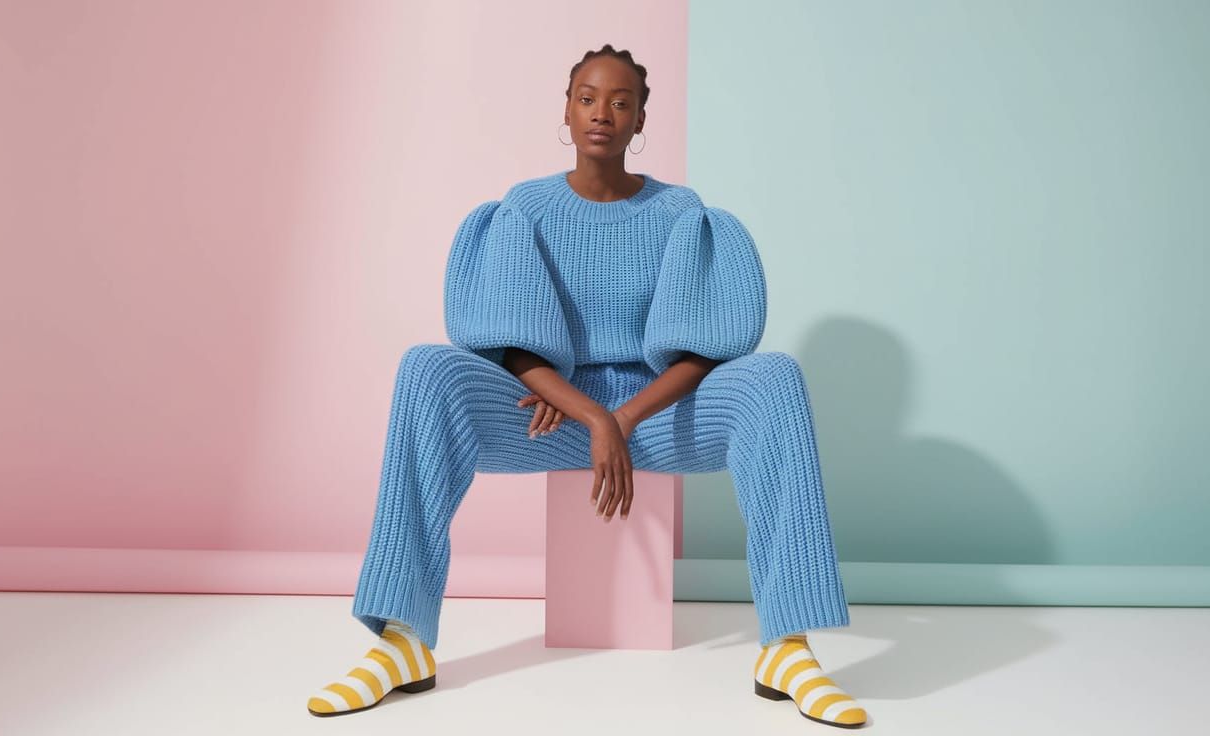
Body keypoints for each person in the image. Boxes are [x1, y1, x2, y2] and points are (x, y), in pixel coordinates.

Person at [306, 44, 868, 729]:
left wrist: (622, 418)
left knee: (775, 376)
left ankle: (788, 646)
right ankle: (402, 640)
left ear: (640, 121)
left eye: (621, 102)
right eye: (587, 98)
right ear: (566, 112)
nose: (603, 112)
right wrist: (590, 416)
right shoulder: (524, 209)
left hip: (656, 417)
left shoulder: (680, 213)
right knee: (425, 368)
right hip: (541, 413)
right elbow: (510, 341)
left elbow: (701, 350)